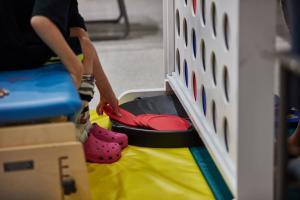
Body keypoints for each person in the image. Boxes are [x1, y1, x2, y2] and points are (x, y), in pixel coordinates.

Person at [0, 0, 121, 142]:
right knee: (76, 55)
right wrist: (76, 68)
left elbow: (81, 35)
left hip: (17, 43)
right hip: (12, 56)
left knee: (80, 47)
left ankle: (83, 125)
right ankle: (77, 135)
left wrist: (105, 89)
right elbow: (41, 21)